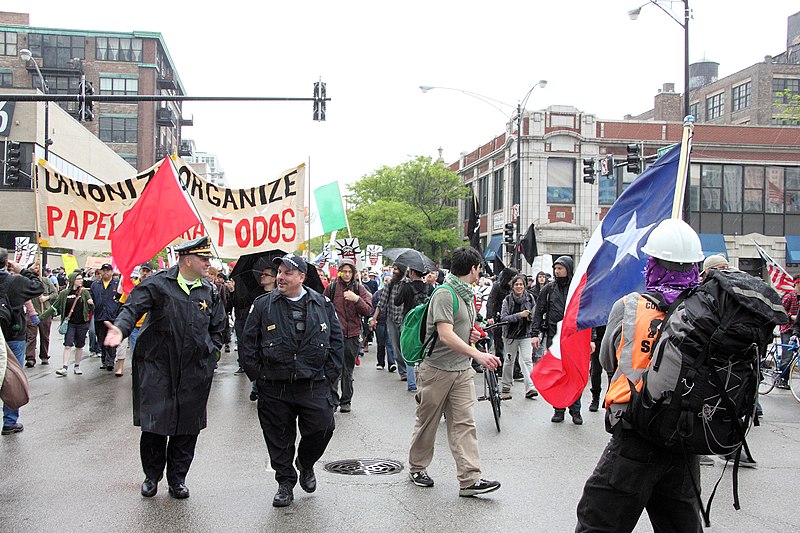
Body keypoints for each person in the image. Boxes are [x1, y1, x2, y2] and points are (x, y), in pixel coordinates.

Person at [575, 218, 705, 532]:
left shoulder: (632, 306)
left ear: (653, 264)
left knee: (599, 521)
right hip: (685, 440)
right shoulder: (706, 311)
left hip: (637, 433)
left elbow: (609, 360)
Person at [103, 236, 226, 499]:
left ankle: (177, 479)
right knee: (155, 426)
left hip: (195, 371)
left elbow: (219, 326)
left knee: (187, 428)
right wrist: (121, 329)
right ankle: (152, 476)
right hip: (159, 368)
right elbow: (132, 308)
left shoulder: (210, 291)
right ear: (187, 259)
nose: (208, 263)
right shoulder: (158, 284)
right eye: (203, 258)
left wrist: (210, 353)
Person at [240, 253, 343, 508]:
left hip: (313, 383)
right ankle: (285, 483)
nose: (280, 277)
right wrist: (258, 376)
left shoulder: (322, 303)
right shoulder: (264, 304)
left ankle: (305, 463)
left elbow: (336, 342)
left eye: (287, 272)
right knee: (278, 437)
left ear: (301, 277)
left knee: (323, 428)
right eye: (279, 272)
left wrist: (329, 376)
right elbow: (248, 343)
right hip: (275, 385)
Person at [407, 246, 502, 497]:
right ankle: (417, 467)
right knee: (428, 422)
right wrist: (478, 354)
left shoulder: (466, 295)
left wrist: (471, 335)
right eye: (479, 268)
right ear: (473, 269)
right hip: (437, 370)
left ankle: (470, 479)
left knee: (464, 424)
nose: (480, 273)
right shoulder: (445, 294)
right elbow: (445, 335)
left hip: (461, 370)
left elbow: (458, 329)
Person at [531, 256, 583, 424]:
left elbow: (585, 313)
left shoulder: (577, 288)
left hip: (574, 338)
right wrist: (534, 333)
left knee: (574, 375)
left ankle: (576, 410)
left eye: (560, 268)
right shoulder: (548, 289)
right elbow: (538, 311)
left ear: (568, 268)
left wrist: (592, 339)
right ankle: (558, 409)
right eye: (556, 268)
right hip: (554, 337)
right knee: (558, 374)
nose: (557, 271)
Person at [0, 249, 44, 435]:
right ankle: (10, 421)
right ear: (6, 263)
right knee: (11, 377)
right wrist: (22, 270)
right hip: (12, 334)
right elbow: (38, 287)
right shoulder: (15, 281)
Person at [323, 258, 372, 412]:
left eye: (349, 271)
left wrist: (356, 299)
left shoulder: (359, 288)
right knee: (333, 368)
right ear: (339, 271)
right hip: (335, 335)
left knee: (347, 370)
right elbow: (321, 307)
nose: (346, 274)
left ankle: (346, 400)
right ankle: (332, 400)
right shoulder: (331, 288)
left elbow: (367, 310)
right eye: (344, 271)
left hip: (352, 335)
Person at [40, 271, 94, 376]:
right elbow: (54, 307)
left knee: (79, 345)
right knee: (68, 345)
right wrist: (41, 317)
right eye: (78, 279)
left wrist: (91, 305)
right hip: (70, 323)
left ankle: (77, 366)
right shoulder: (64, 293)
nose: (81, 281)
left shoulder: (84, 292)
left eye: (81, 279)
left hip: (82, 323)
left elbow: (91, 308)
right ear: (73, 280)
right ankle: (64, 367)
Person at [499, 274, 538, 399]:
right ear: (512, 286)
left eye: (521, 284)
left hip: (526, 334)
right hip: (510, 335)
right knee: (509, 360)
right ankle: (506, 384)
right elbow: (504, 318)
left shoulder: (530, 298)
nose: (519, 286)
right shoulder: (507, 300)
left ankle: (530, 387)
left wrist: (530, 316)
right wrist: (520, 315)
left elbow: (535, 315)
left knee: (527, 360)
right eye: (516, 284)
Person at [394, 267, 433, 392]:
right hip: (426, 323)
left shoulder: (406, 287)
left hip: (409, 324)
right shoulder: (429, 288)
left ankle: (412, 383)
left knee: (409, 351)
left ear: (412, 272)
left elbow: (397, 301)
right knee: (425, 351)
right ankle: (425, 381)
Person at [246, 258, 278, 402]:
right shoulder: (255, 295)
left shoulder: (281, 295)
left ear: (274, 278)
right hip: (258, 334)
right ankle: (256, 386)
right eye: (262, 274)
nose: (262, 276)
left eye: (266, 275)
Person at [370, 263, 407, 378]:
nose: (393, 271)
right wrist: (374, 318)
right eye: (393, 269)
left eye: (395, 269)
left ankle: (409, 370)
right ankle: (403, 372)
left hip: (405, 319)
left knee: (405, 345)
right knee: (395, 347)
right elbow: (381, 303)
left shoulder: (408, 284)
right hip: (391, 319)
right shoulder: (390, 284)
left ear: (401, 270)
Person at [25, 262, 58, 367]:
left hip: (45, 312)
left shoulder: (46, 281)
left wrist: (46, 298)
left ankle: (44, 355)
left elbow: (55, 294)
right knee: (31, 336)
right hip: (32, 313)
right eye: (35, 267)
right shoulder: (27, 281)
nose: (37, 269)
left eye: (38, 267)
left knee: (45, 336)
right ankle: (30, 358)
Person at [90, 263, 120, 371]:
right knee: (101, 340)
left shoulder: (117, 284)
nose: (106, 272)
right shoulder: (95, 285)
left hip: (112, 316)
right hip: (99, 316)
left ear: (112, 272)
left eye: (108, 270)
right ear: (101, 272)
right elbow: (92, 298)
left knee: (111, 340)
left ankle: (110, 360)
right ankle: (104, 359)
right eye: (104, 270)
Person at [370, 273, 397, 371]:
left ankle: (392, 363)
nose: (388, 283)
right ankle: (380, 362)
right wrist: (373, 319)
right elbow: (373, 308)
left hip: (390, 322)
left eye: (390, 281)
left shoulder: (395, 294)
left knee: (390, 343)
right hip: (380, 322)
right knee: (381, 343)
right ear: (382, 281)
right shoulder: (377, 294)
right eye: (386, 280)